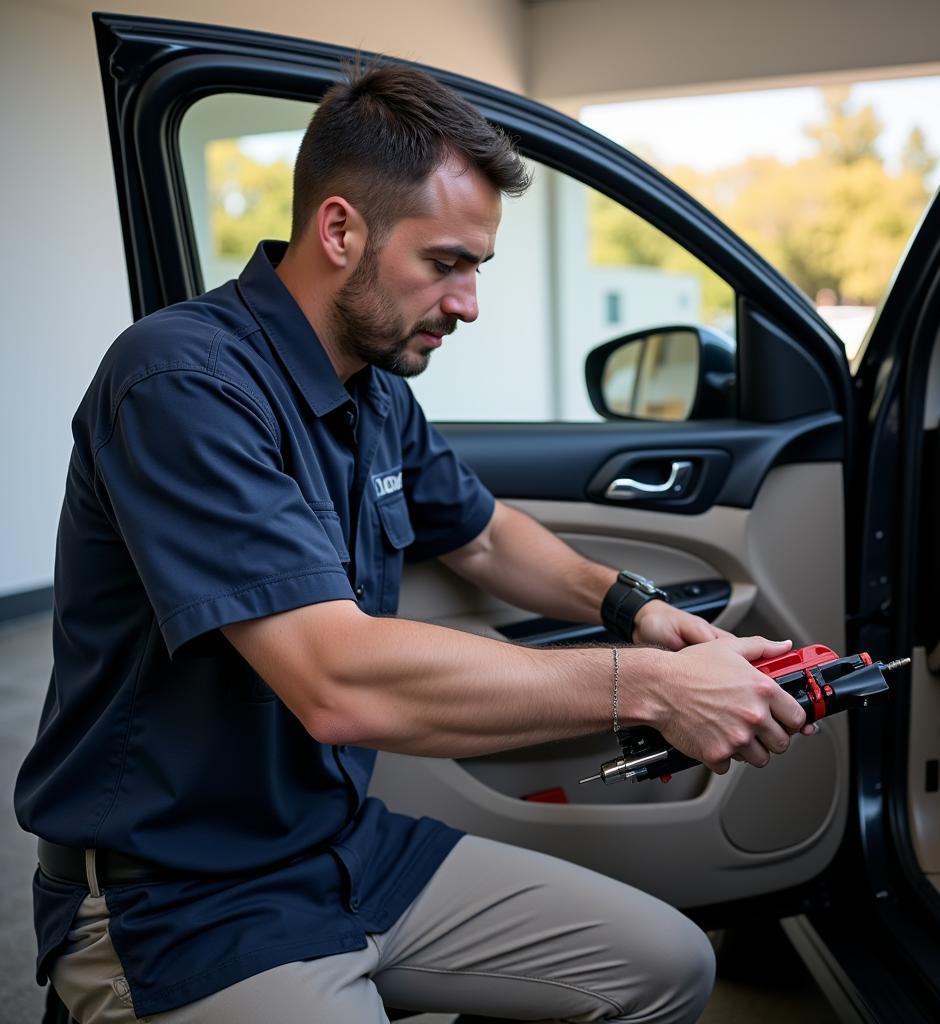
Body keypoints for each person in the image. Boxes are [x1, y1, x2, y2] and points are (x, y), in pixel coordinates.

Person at [15, 61, 814, 1024]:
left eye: (476, 266)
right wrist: (646, 688)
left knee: (667, 967)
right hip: (181, 896)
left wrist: (636, 610)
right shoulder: (180, 382)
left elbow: (484, 539)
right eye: (445, 263)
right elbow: (337, 680)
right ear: (341, 228)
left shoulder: (376, 390)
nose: (469, 302)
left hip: (344, 849)